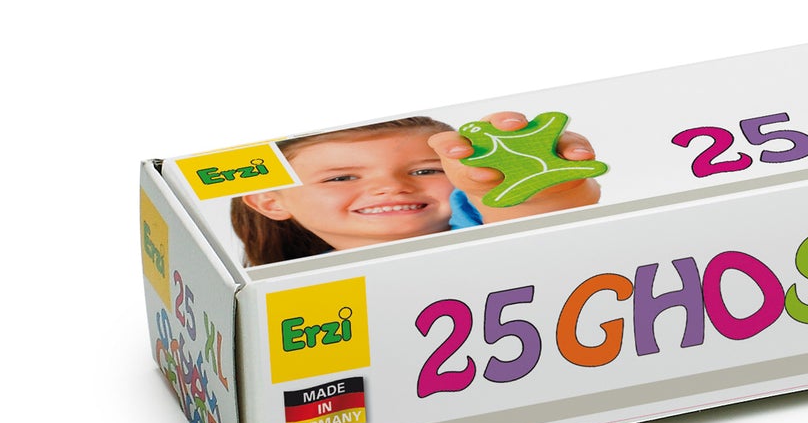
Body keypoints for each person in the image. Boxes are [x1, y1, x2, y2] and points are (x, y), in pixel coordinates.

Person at [231, 113, 603, 265]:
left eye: (426, 170)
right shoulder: (287, 288)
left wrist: (541, 188)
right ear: (269, 201)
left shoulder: (477, 225)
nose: (392, 187)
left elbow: (531, 226)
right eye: (342, 178)